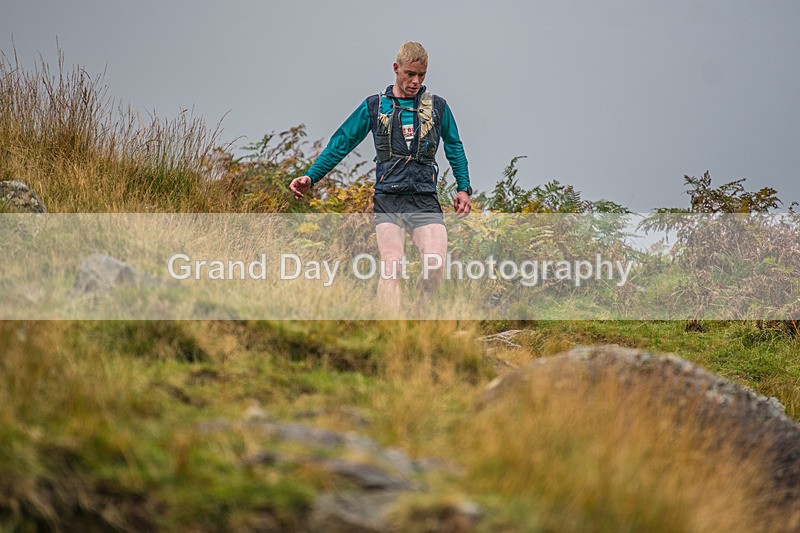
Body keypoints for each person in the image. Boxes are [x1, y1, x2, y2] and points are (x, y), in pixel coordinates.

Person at [289, 41, 472, 313]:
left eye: (421, 75)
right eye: (409, 74)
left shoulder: (438, 107)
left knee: (435, 262)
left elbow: (454, 145)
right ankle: (390, 329)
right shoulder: (375, 106)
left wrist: (463, 188)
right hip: (389, 198)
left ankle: (422, 318)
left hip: (424, 196)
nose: (415, 81)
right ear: (396, 68)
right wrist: (311, 176)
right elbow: (342, 142)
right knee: (392, 266)